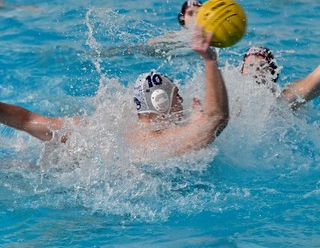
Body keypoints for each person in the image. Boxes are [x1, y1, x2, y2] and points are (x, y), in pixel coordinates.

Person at [0, 26, 229, 157]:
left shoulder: (103, 132)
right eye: (178, 97)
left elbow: (27, 119)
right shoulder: (173, 141)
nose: (183, 101)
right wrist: (209, 60)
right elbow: (216, 117)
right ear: (162, 102)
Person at [240, 46, 320, 110]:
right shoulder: (234, 101)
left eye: (262, 66)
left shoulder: (283, 101)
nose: (255, 70)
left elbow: (315, 79)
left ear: (273, 73)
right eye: (250, 66)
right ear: (241, 70)